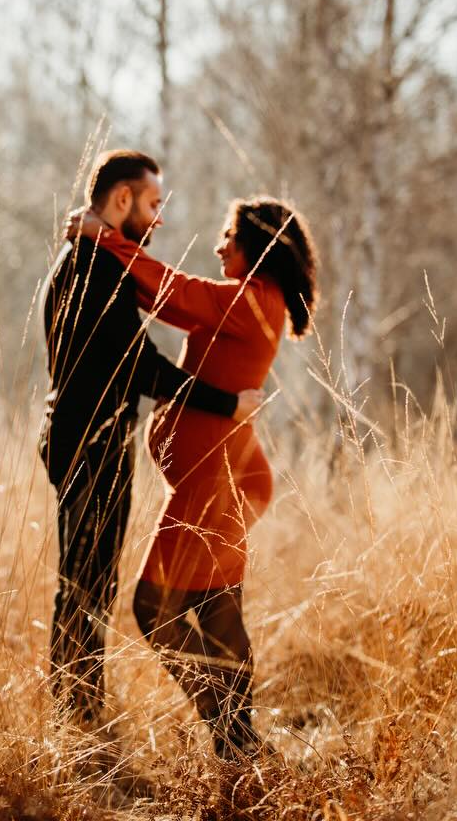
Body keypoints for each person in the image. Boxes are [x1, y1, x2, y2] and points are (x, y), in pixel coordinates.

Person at [68, 195, 319, 758]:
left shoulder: (252, 301)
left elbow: (177, 290)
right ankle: (244, 745)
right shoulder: (253, 301)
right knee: (216, 606)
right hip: (224, 476)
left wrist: (103, 236)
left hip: (212, 482)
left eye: (229, 236)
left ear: (257, 246)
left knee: (154, 607)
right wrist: (106, 258)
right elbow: (169, 302)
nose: (219, 245)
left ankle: (234, 738)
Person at [38, 150, 263, 731]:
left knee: (86, 584)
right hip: (92, 442)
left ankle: (79, 719)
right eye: (153, 203)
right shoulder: (94, 265)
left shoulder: (84, 258)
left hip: (81, 436)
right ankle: (80, 724)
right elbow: (141, 367)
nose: (158, 217)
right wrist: (226, 403)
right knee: (86, 587)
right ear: (121, 199)